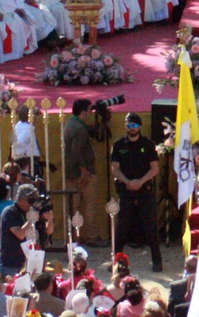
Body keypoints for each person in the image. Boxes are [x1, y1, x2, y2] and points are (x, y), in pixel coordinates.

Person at [111, 113, 162, 273]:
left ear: (139, 127)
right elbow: (115, 169)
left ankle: (157, 261)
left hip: (144, 190)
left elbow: (155, 168)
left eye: (134, 126)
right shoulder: (119, 145)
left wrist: (141, 181)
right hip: (126, 189)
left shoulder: (148, 144)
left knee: (150, 226)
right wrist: (128, 182)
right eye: (128, 126)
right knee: (122, 226)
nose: (131, 129)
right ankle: (116, 262)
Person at [62, 100, 106, 246]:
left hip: (70, 173)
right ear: (83, 112)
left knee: (73, 207)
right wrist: (84, 170)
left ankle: (74, 237)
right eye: (89, 110)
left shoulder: (70, 123)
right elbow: (77, 151)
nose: (90, 113)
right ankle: (91, 237)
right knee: (89, 207)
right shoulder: (80, 129)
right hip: (84, 172)